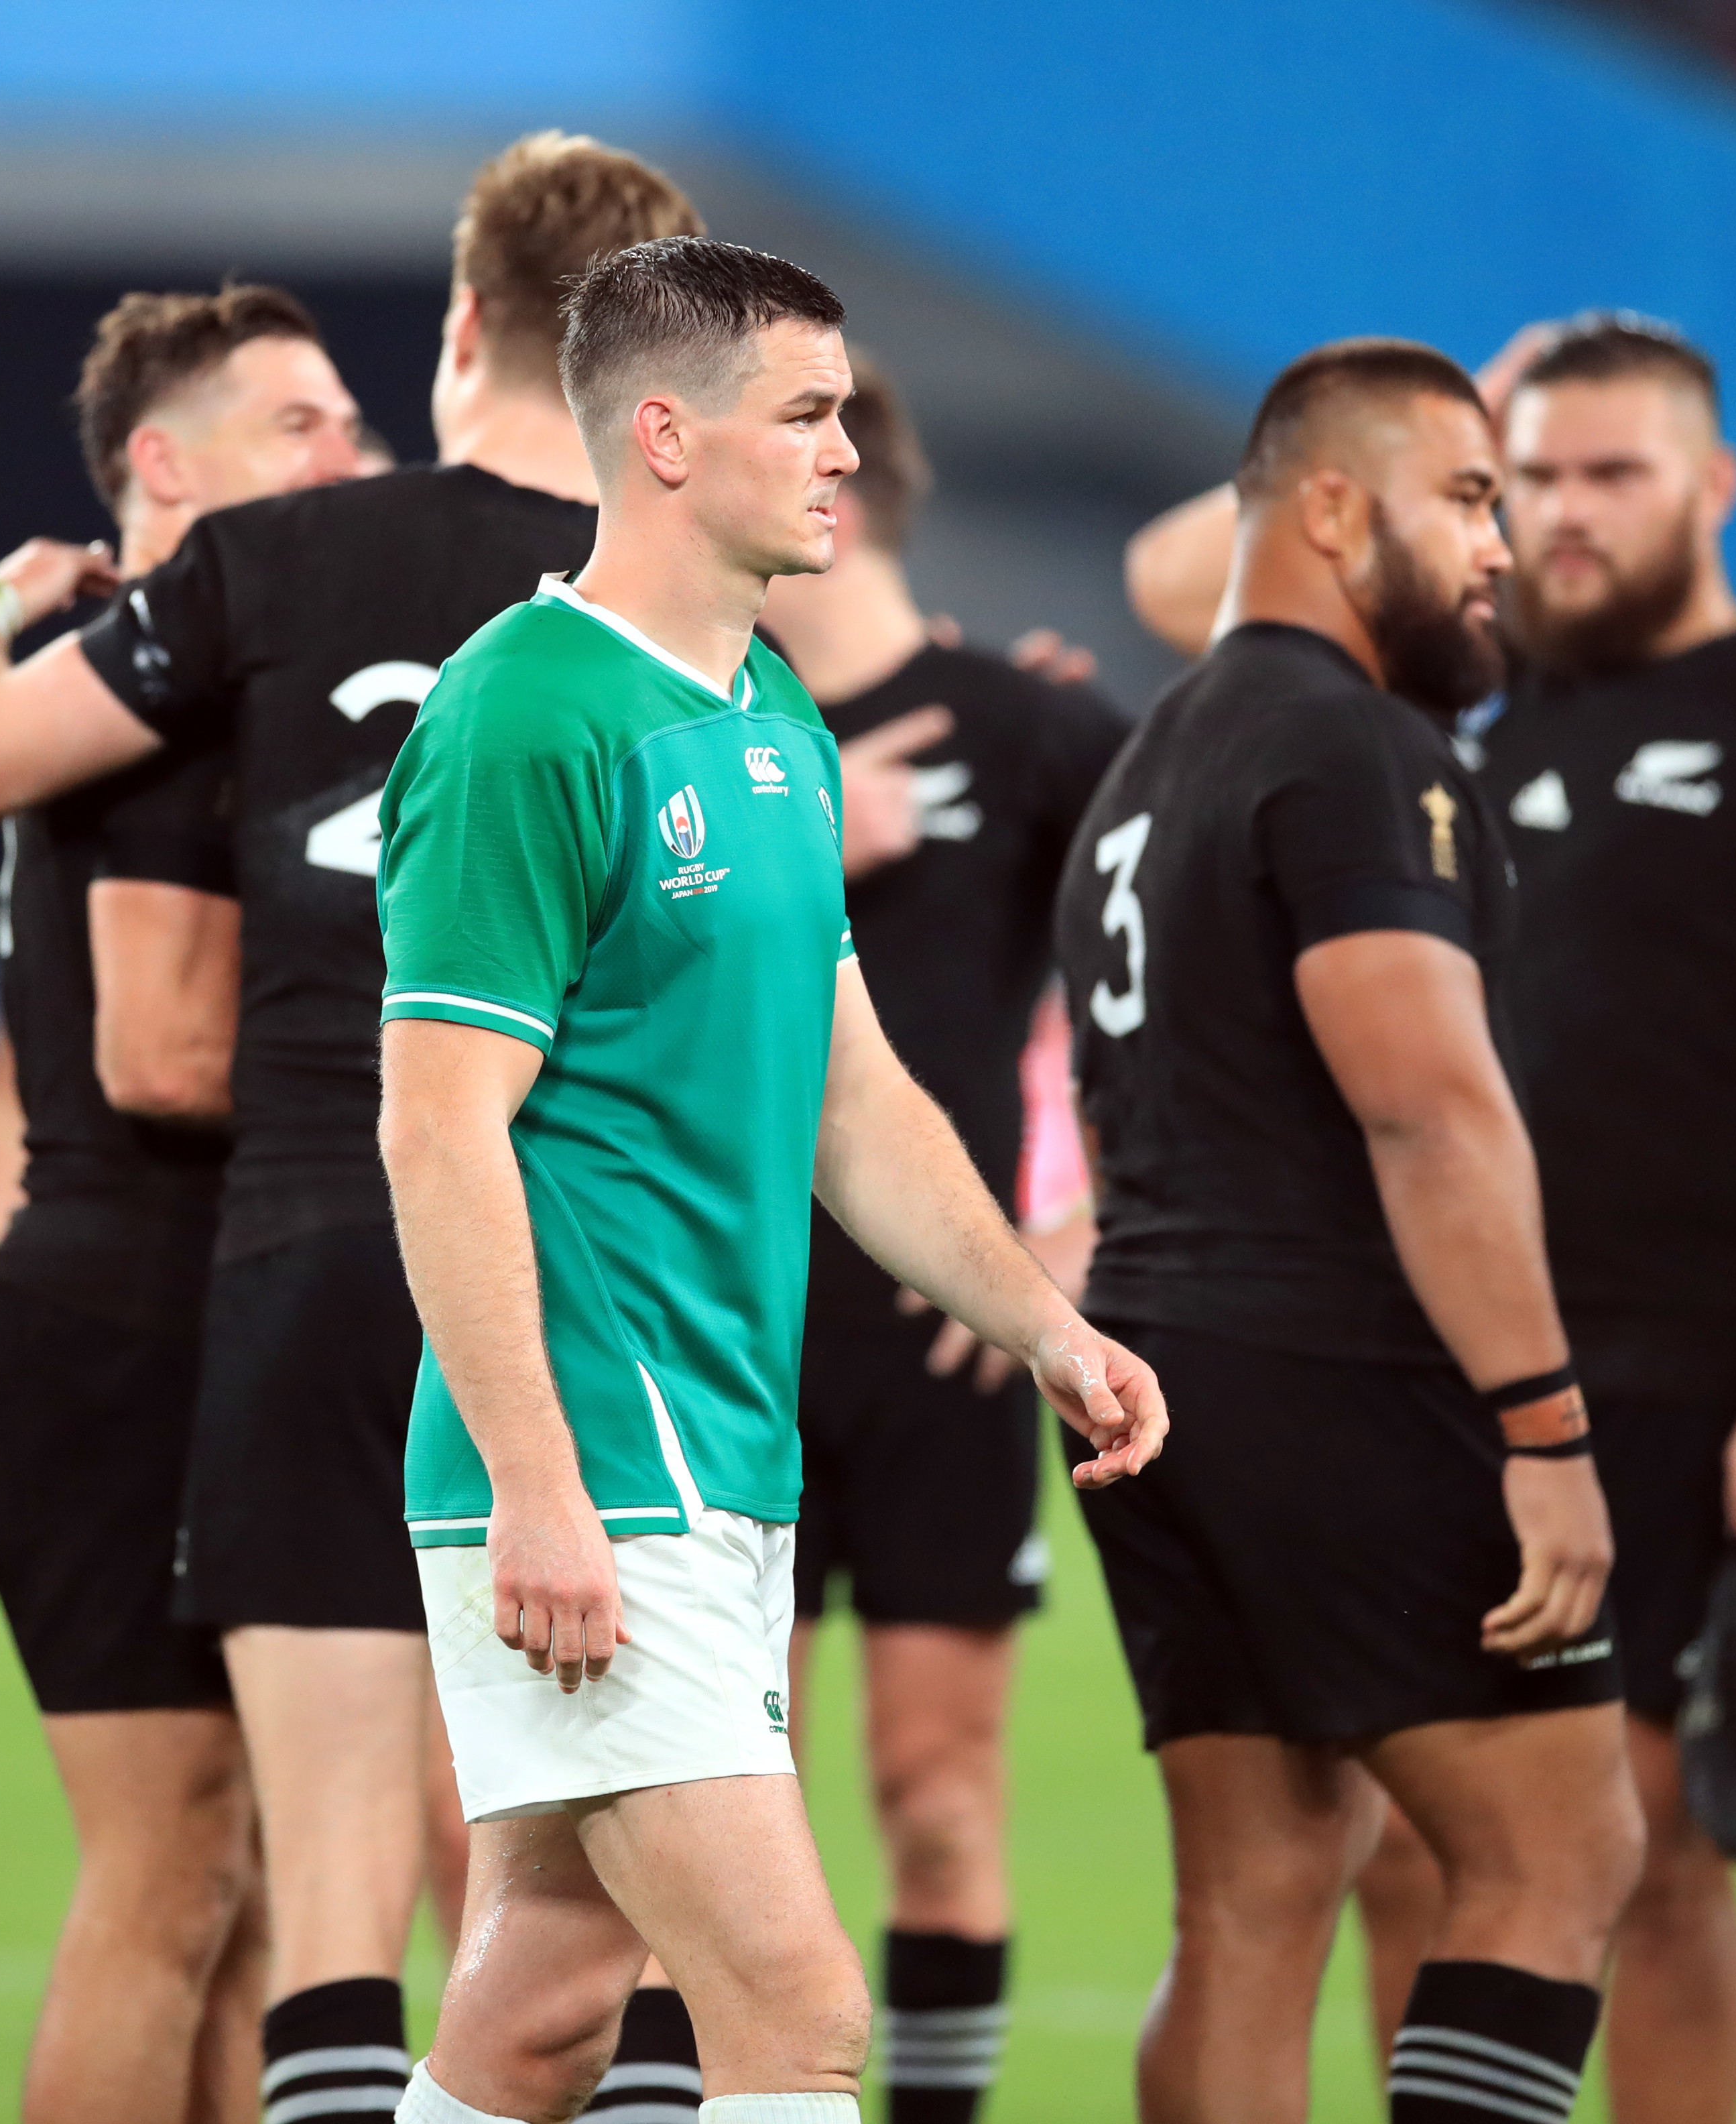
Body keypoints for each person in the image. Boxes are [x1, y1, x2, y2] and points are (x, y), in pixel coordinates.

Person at [0, 133, 706, 2121]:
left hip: (303, 1252)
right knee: (632, 1882)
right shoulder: (684, 613)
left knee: (315, 1897)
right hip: (603, 1271)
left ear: (461, 325)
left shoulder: (259, 584)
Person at [369, 233, 1163, 2124]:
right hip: (602, 1468)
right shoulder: (525, 715)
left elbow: (850, 1099)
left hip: (719, 1453)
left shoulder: (771, 712)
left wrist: (1042, 1321)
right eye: (804, 415)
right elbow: (436, 1122)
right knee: (798, 2005)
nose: (845, 454)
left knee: (543, 2003)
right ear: (663, 435)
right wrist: (543, 1486)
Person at [1121, 315, 1736, 2120]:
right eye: (1520, 481)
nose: (1552, 519)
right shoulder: (1439, 697)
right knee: (1445, 1856)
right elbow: (1188, 568)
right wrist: (1419, 421)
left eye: (1602, 475)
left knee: (1636, 1851)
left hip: (1672, 1354)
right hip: (1437, 1355)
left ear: (1716, 487)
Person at [1062, 339, 1641, 2124]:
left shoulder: (1148, 761)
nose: (1504, 542)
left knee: (1256, 1892)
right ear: (1333, 506)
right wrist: (1544, 1428)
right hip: (1338, 1368)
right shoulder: (1355, 743)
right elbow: (1427, 1106)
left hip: (1150, 1371)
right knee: (1563, 1855)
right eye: (1470, 495)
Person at [0, 282, 363, 2124]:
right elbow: (159, 1063)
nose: (350, 457)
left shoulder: (97, 679)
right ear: (161, 471)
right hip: (146, 1324)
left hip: (144, 1310)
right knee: (175, 1870)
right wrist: (440, 1107)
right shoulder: (171, 697)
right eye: (302, 427)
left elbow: (34, 1072)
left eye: (350, 419)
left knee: (250, 1887)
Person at [751, 350, 1131, 2123]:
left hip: (938, 1347)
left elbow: (1204, 983)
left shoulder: (1034, 725)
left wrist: (1069, 1229)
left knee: (932, 1789)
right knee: (730, 1798)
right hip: (721, 1325)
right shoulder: (695, 726)